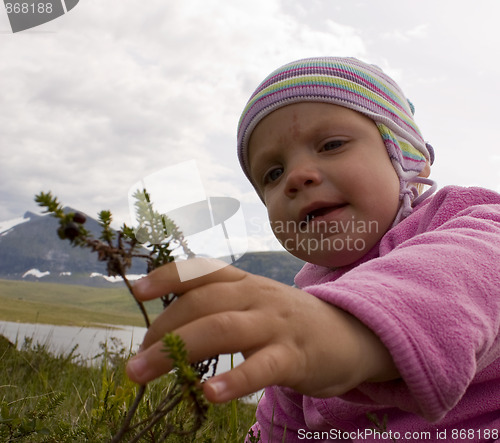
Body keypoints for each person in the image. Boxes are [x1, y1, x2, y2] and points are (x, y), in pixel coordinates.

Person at [126, 57, 500, 442]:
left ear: (409, 159)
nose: (296, 176)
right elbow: (282, 427)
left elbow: (469, 271)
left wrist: (347, 328)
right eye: (272, 173)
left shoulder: (466, 220)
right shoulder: (302, 307)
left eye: (332, 145)